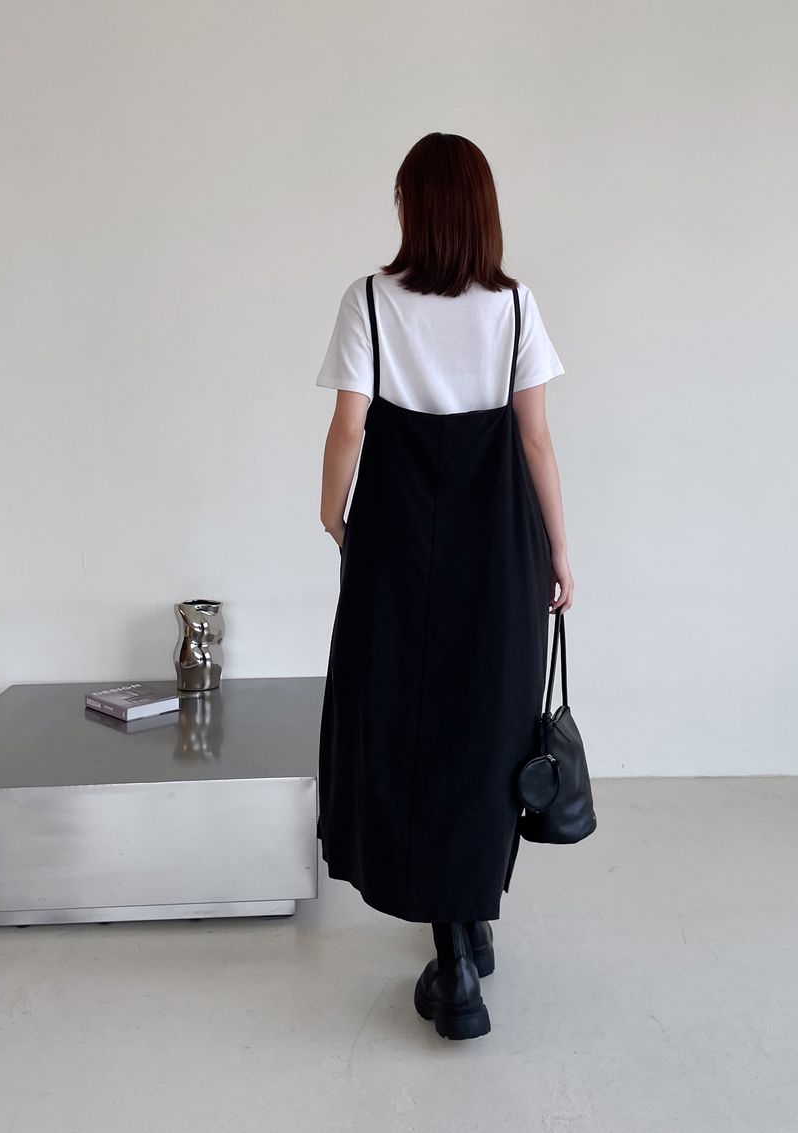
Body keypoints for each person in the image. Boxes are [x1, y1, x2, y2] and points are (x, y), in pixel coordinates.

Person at [314, 132, 573, 1041]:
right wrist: (559, 549)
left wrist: (333, 514)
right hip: (499, 542)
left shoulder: (370, 300)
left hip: (394, 541)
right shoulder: (516, 306)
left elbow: (350, 428)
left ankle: (455, 954)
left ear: (413, 209)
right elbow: (535, 439)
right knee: (487, 724)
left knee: (404, 721)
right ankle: (469, 920)